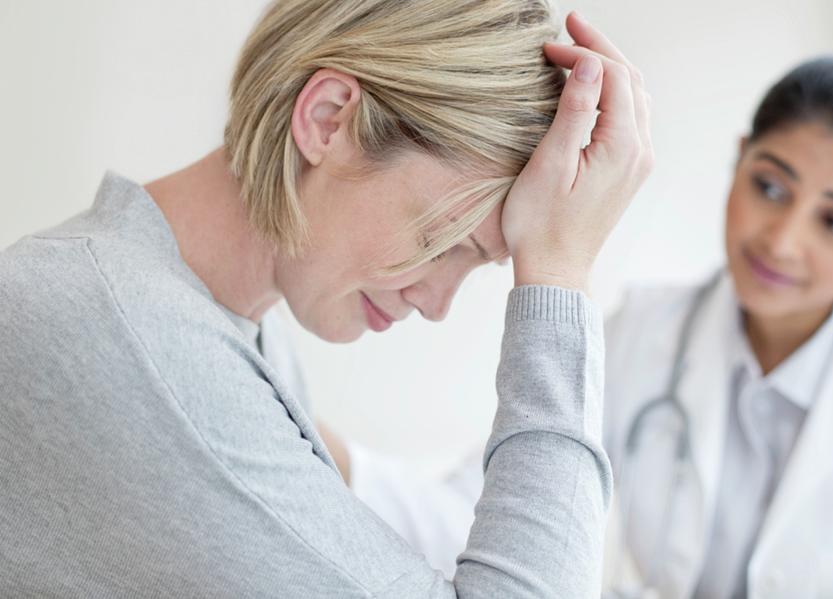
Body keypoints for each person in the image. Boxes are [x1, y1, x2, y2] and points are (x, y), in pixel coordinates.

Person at [0, 1, 653, 597]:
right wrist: (560, 272)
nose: (437, 304)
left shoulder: (217, 324)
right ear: (327, 118)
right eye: (443, 239)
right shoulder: (132, 338)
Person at [326, 55, 833, 598]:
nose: (782, 240)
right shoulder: (650, 333)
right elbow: (493, 517)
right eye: (770, 188)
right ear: (741, 158)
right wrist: (332, 455)